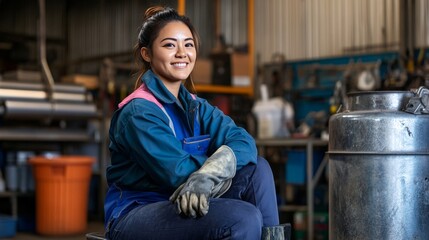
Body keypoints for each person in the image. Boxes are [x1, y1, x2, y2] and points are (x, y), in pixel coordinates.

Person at [104, 5, 285, 240]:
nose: (182, 53)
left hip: (183, 205)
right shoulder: (139, 113)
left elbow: (244, 142)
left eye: (188, 44)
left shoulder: (195, 106)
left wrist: (210, 172)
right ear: (146, 54)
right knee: (242, 217)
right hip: (136, 213)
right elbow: (178, 174)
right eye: (170, 45)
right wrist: (214, 167)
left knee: (258, 169)